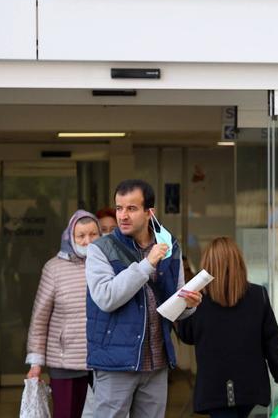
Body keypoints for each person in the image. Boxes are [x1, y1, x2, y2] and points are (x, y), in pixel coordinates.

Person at [85, 179, 202, 418]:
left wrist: (189, 305)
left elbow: (174, 299)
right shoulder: (100, 249)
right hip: (116, 362)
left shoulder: (169, 246)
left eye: (131, 208)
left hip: (157, 362)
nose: (123, 216)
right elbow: (106, 298)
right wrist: (146, 265)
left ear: (150, 212)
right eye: (119, 208)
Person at [178, 237, 278, 418]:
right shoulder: (258, 295)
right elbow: (272, 343)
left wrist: (186, 307)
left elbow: (187, 336)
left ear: (208, 265)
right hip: (250, 387)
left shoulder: (198, 299)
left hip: (213, 388)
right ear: (239, 263)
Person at [25, 210, 100, 418]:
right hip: (65, 362)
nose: (87, 241)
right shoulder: (54, 268)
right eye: (81, 235)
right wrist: (36, 363)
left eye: (93, 234)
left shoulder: (109, 265)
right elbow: (39, 319)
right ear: (70, 237)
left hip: (103, 361)